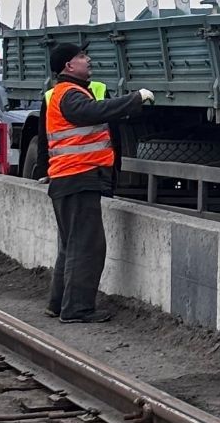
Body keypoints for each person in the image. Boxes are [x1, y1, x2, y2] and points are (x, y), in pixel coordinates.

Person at [37, 42, 153, 323]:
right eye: (81, 56)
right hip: (77, 177)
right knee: (87, 246)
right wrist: (135, 98)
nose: (87, 60)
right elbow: (95, 111)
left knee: (72, 245)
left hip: (70, 179)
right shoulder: (69, 95)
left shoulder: (68, 93)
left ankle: (58, 304)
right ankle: (77, 309)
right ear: (68, 65)